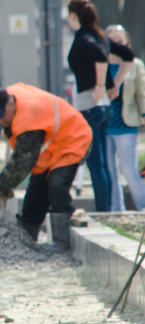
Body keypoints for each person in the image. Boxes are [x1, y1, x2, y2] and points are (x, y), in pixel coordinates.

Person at [0, 83, 92, 247]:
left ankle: (62, 241)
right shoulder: (10, 96)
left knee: (57, 186)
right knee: (36, 190)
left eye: (1, 115)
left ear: (11, 104)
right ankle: (26, 238)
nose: (0, 120)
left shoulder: (28, 119)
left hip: (72, 139)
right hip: (51, 144)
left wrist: (3, 184)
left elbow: (22, 162)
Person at [67, 0, 134, 212]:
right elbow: (129, 56)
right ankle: (107, 208)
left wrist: (100, 84)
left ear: (74, 16)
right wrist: (114, 84)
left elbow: (99, 56)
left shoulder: (84, 37)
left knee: (96, 163)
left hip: (90, 107)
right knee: (104, 163)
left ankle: (103, 210)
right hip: (103, 107)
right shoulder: (99, 36)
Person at [104, 25, 145, 211]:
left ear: (126, 42)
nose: (115, 45)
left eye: (119, 41)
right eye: (111, 41)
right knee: (110, 172)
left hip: (125, 125)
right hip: (104, 126)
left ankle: (142, 207)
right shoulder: (99, 63)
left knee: (129, 171)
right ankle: (116, 211)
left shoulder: (135, 65)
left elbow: (142, 93)